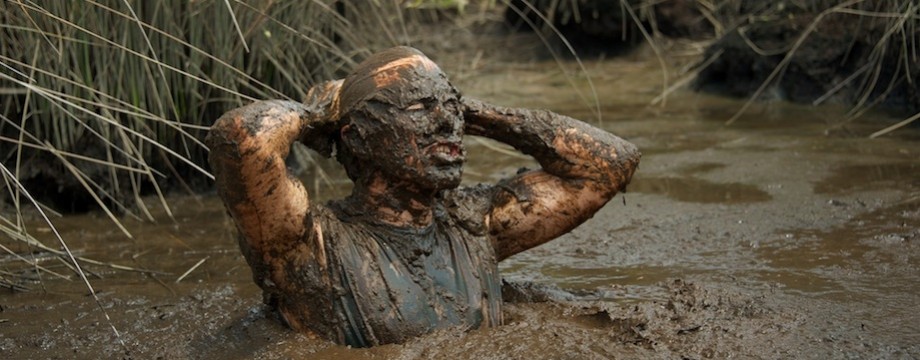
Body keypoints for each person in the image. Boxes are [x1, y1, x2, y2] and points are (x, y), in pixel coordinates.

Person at [206, 46, 640, 347]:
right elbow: (242, 138)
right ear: (356, 137)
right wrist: (319, 113)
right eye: (417, 109)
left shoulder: (474, 224)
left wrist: (475, 112)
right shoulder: (309, 245)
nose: (446, 124)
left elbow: (610, 165)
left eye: (452, 110)